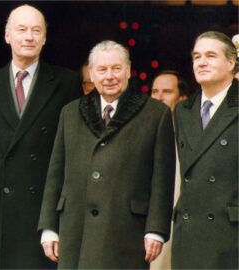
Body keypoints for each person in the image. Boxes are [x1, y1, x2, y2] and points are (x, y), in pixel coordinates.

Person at [38, 40, 175, 269]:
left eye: (116, 68)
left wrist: (156, 230)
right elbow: (55, 174)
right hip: (74, 229)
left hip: (127, 231)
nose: (109, 76)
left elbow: (162, 178)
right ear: (91, 74)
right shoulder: (70, 113)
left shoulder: (155, 114)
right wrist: (49, 228)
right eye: (102, 70)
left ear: (129, 70)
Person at [0, 4, 81, 269]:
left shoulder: (66, 82)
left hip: (41, 205)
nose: (29, 37)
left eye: (36, 30)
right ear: (7, 36)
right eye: (21, 30)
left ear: (45, 37)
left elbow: (73, 151)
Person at [172, 31, 238, 269]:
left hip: (229, 233)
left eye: (211, 55)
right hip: (188, 233)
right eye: (196, 56)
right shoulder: (183, 110)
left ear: (231, 63)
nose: (201, 62)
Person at [149, 70, 189, 270]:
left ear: (182, 98)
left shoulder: (189, 136)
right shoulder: (142, 132)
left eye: (166, 91)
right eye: (154, 91)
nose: (158, 97)